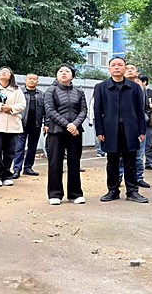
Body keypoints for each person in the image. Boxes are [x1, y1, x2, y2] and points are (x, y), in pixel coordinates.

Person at [94, 57, 148, 204]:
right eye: (113, 65)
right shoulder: (101, 87)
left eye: (120, 65)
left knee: (131, 161)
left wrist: (142, 131)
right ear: (109, 69)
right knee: (112, 162)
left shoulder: (134, 87)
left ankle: (132, 191)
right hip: (110, 130)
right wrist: (99, 131)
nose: (117, 67)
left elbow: (140, 110)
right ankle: (113, 190)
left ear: (125, 68)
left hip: (130, 130)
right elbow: (97, 111)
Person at [44, 64, 87, 205]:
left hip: (75, 132)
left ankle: (75, 194)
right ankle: (55, 194)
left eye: (67, 71)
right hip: (56, 132)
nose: (63, 73)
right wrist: (68, 125)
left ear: (72, 76)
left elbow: (83, 111)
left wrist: (75, 124)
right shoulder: (51, 90)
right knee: (55, 163)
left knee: (74, 163)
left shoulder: (79, 91)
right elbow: (50, 110)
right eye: (60, 71)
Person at [0, 67, 26, 187]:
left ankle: (7, 175)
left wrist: (11, 108)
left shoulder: (17, 90)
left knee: (10, 152)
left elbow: (22, 105)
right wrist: (1, 107)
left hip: (13, 124)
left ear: (11, 76)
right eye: (1, 71)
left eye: (7, 71)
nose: (3, 73)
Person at [12, 73, 46, 179]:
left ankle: (28, 168)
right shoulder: (19, 93)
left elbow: (46, 111)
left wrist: (47, 124)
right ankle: (16, 170)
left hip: (36, 125)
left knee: (32, 148)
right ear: (25, 80)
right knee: (19, 147)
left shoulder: (42, 95)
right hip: (21, 124)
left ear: (37, 81)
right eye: (30, 79)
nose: (32, 81)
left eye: (34, 79)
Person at [123, 64, 149, 188]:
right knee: (120, 157)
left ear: (137, 73)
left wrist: (142, 128)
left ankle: (139, 178)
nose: (129, 70)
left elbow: (143, 108)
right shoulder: (117, 87)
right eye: (127, 68)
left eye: (132, 69)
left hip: (137, 126)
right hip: (121, 127)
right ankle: (119, 178)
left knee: (139, 155)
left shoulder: (140, 88)